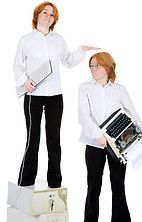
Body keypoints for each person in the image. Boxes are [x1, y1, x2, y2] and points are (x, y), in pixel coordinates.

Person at [13, 1, 100, 188]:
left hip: (55, 97)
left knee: (54, 140)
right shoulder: (26, 40)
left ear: (54, 20)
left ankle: (54, 183)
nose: (48, 16)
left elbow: (68, 61)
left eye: (52, 15)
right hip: (33, 96)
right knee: (32, 139)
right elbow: (17, 66)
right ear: (37, 15)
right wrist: (23, 81)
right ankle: (25, 182)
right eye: (45, 12)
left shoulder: (58, 39)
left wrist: (81, 51)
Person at [78, 52, 142, 222]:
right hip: (94, 144)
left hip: (119, 144)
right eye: (91, 66)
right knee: (93, 187)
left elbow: (131, 110)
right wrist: (98, 135)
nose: (92, 69)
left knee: (118, 185)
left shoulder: (119, 89)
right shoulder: (84, 88)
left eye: (96, 66)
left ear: (107, 68)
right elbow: (83, 115)